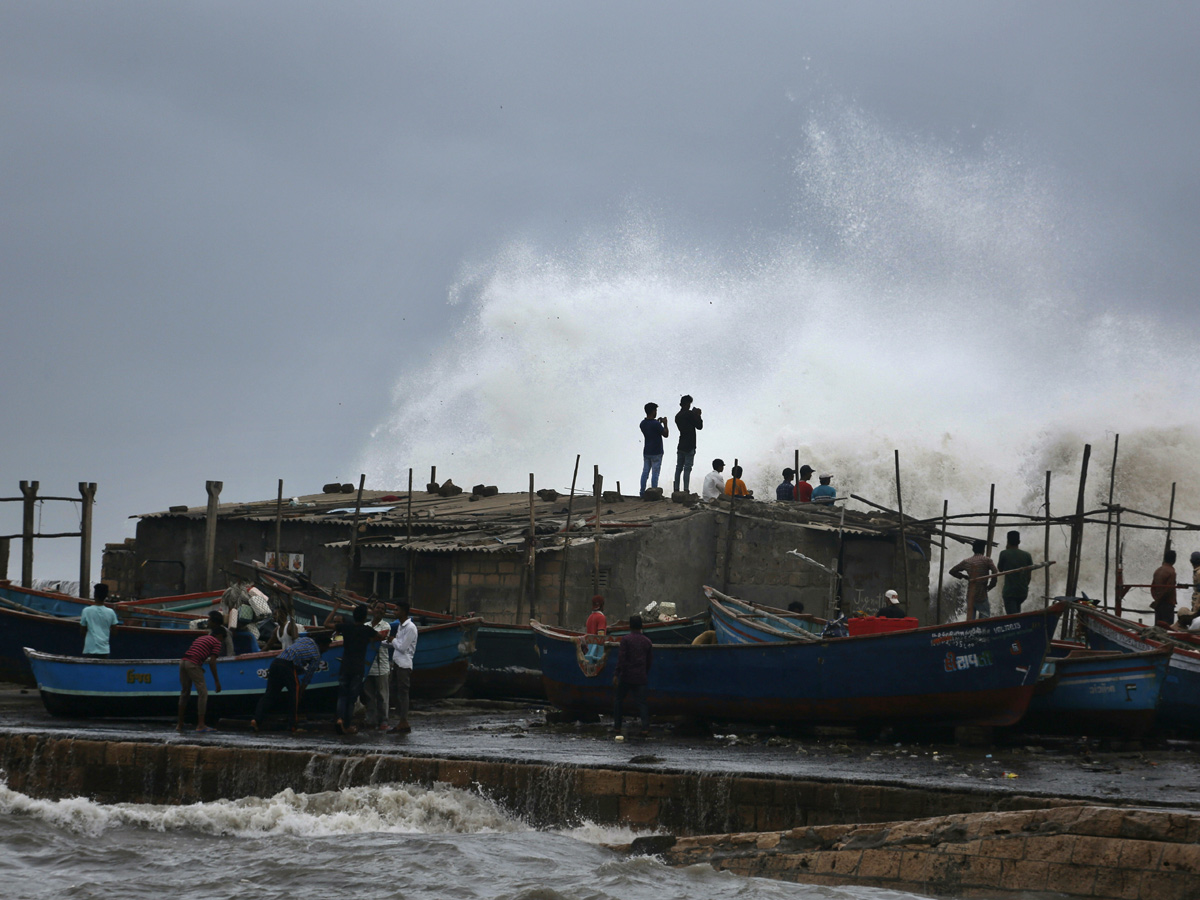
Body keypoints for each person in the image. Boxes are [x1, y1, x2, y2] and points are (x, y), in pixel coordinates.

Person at [324, 598, 388, 735]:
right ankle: (346, 725)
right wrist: (369, 639)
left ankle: (340, 719)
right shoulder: (367, 630)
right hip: (358, 668)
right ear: (365, 617)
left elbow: (326, 624)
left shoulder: (346, 627)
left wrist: (335, 608)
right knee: (351, 699)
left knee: (342, 696)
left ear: (353, 616)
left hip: (345, 666)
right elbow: (381, 637)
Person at [251, 632, 323, 733]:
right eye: (326, 647)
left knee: (269, 695)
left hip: (276, 662)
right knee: (295, 695)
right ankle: (292, 725)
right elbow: (308, 676)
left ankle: (256, 720)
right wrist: (301, 690)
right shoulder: (317, 655)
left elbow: (295, 646)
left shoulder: (306, 640)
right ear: (322, 645)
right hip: (288, 665)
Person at [177, 621, 224, 733]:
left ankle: (179, 724)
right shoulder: (217, 642)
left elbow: (195, 655)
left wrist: (199, 668)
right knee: (203, 693)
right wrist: (217, 681)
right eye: (223, 638)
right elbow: (212, 662)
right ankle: (201, 725)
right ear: (220, 636)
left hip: (183, 662)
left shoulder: (201, 638)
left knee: (184, 693)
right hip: (192, 664)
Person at [612, 614, 653, 736]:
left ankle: (617, 727)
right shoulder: (647, 642)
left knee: (618, 700)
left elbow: (621, 659)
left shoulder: (625, 640)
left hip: (626, 676)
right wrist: (644, 672)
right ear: (641, 626)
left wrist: (616, 674)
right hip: (640, 677)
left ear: (630, 626)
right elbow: (649, 661)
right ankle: (645, 727)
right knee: (642, 703)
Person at [361, 600, 394, 731]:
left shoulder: (386, 625)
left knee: (382, 696)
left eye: (382, 609)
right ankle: (371, 720)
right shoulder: (366, 625)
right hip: (368, 667)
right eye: (377, 608)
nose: (379, 610)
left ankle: (384, 721)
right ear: (373, 610)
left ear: (384, 612)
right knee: (369, 697)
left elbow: (381, 637)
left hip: (382, 666)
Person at [949, 540, 999, 619]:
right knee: (985, 616)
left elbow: (952, 571)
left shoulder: (967, 561)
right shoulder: (987, 560)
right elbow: (995, 572)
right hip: (982, 593)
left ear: (973, 550)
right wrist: (991, 585)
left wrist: (964, 576)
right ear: (983, 550)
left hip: (970, 593)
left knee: (970, 619)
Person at [389, 601, 418, 734]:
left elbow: (402, 647)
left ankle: (403, 721)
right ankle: (401, 719)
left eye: (397, 610)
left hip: (404, 664)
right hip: (397, 663)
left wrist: (392, 640)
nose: (394, 612)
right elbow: (397, 644)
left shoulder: (410, 627)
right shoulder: (401, 626)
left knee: (403, 693)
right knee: (394, 690)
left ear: (404, 612)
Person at [997, 531, 1034, 615]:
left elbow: (1000, 569)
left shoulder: (1004, 553)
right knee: (1017, 612)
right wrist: (1025, 586)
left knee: (1013, 617)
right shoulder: (1027, 555)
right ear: (1019, 542)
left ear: (1007, 541)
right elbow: (1029, 576)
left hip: (1010, 592)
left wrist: (1007, 550)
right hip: (1022, 592)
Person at [672, 395, 703, 493]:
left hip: (681, 444)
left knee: (678, 468)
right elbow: (699, 426)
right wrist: (698, 415)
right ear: (687, 404)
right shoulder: (690, 414)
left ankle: (676, 489)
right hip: (690, 445)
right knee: (687, 468)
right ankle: (686, 490)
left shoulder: (677, 416)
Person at [80, 583, 119, 658]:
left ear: (94, 595)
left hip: (89, 649)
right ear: (106, 596)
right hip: (104, 650)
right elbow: (114, 632)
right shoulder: (111, 612)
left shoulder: (86, 611)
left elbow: (82, 631)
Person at [639, 402, 669, 496]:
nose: (656, 412)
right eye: (655, 410)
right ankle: (654, 492)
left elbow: (651, 428)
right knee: (655, 473)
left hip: (647, 451)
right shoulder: (656, 424)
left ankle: (642, 492)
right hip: (656, 452)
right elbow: (665, 434)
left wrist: (658, 422)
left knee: (645, 472)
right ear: (652, 411)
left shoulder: (642, 424)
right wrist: (665, 424)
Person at [1150, 549, 1178, 628]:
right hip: (1167, 603)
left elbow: (1152, 588)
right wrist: (1159, 600)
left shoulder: (1157, 571)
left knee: (1157, 626)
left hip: (1158, 604)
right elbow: (1169, 589)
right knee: (1167, 627)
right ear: (1174, 560)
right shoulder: (1172, 572)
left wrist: (1156, 599)